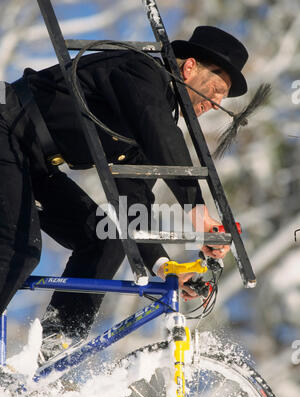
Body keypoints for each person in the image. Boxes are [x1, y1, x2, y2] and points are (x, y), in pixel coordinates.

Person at [0, 26, 249, 363]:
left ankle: (53, 351)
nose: (217, 103)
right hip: (6, 128)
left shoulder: (151, 123)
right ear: (189, 67)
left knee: (106, 237)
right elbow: (159, 129)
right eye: (217, 89)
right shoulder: (141, 71)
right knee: (20, 247)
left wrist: (164, 265)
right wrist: (195, 209)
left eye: (224, 98)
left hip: (34, 163)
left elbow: (133, 205)